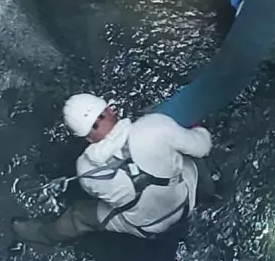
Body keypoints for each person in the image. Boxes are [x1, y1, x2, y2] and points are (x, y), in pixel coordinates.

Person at [11, 93, 214, 244]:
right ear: (110, 109)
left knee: (80, 215)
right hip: (187, 201)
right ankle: (214, 192)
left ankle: (42, 235)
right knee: (190, 152)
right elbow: (204, 146)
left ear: (85, 138)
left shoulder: (85, 170)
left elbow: (105, 195)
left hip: (147, 227)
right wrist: (194, 128)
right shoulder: (155, 126)